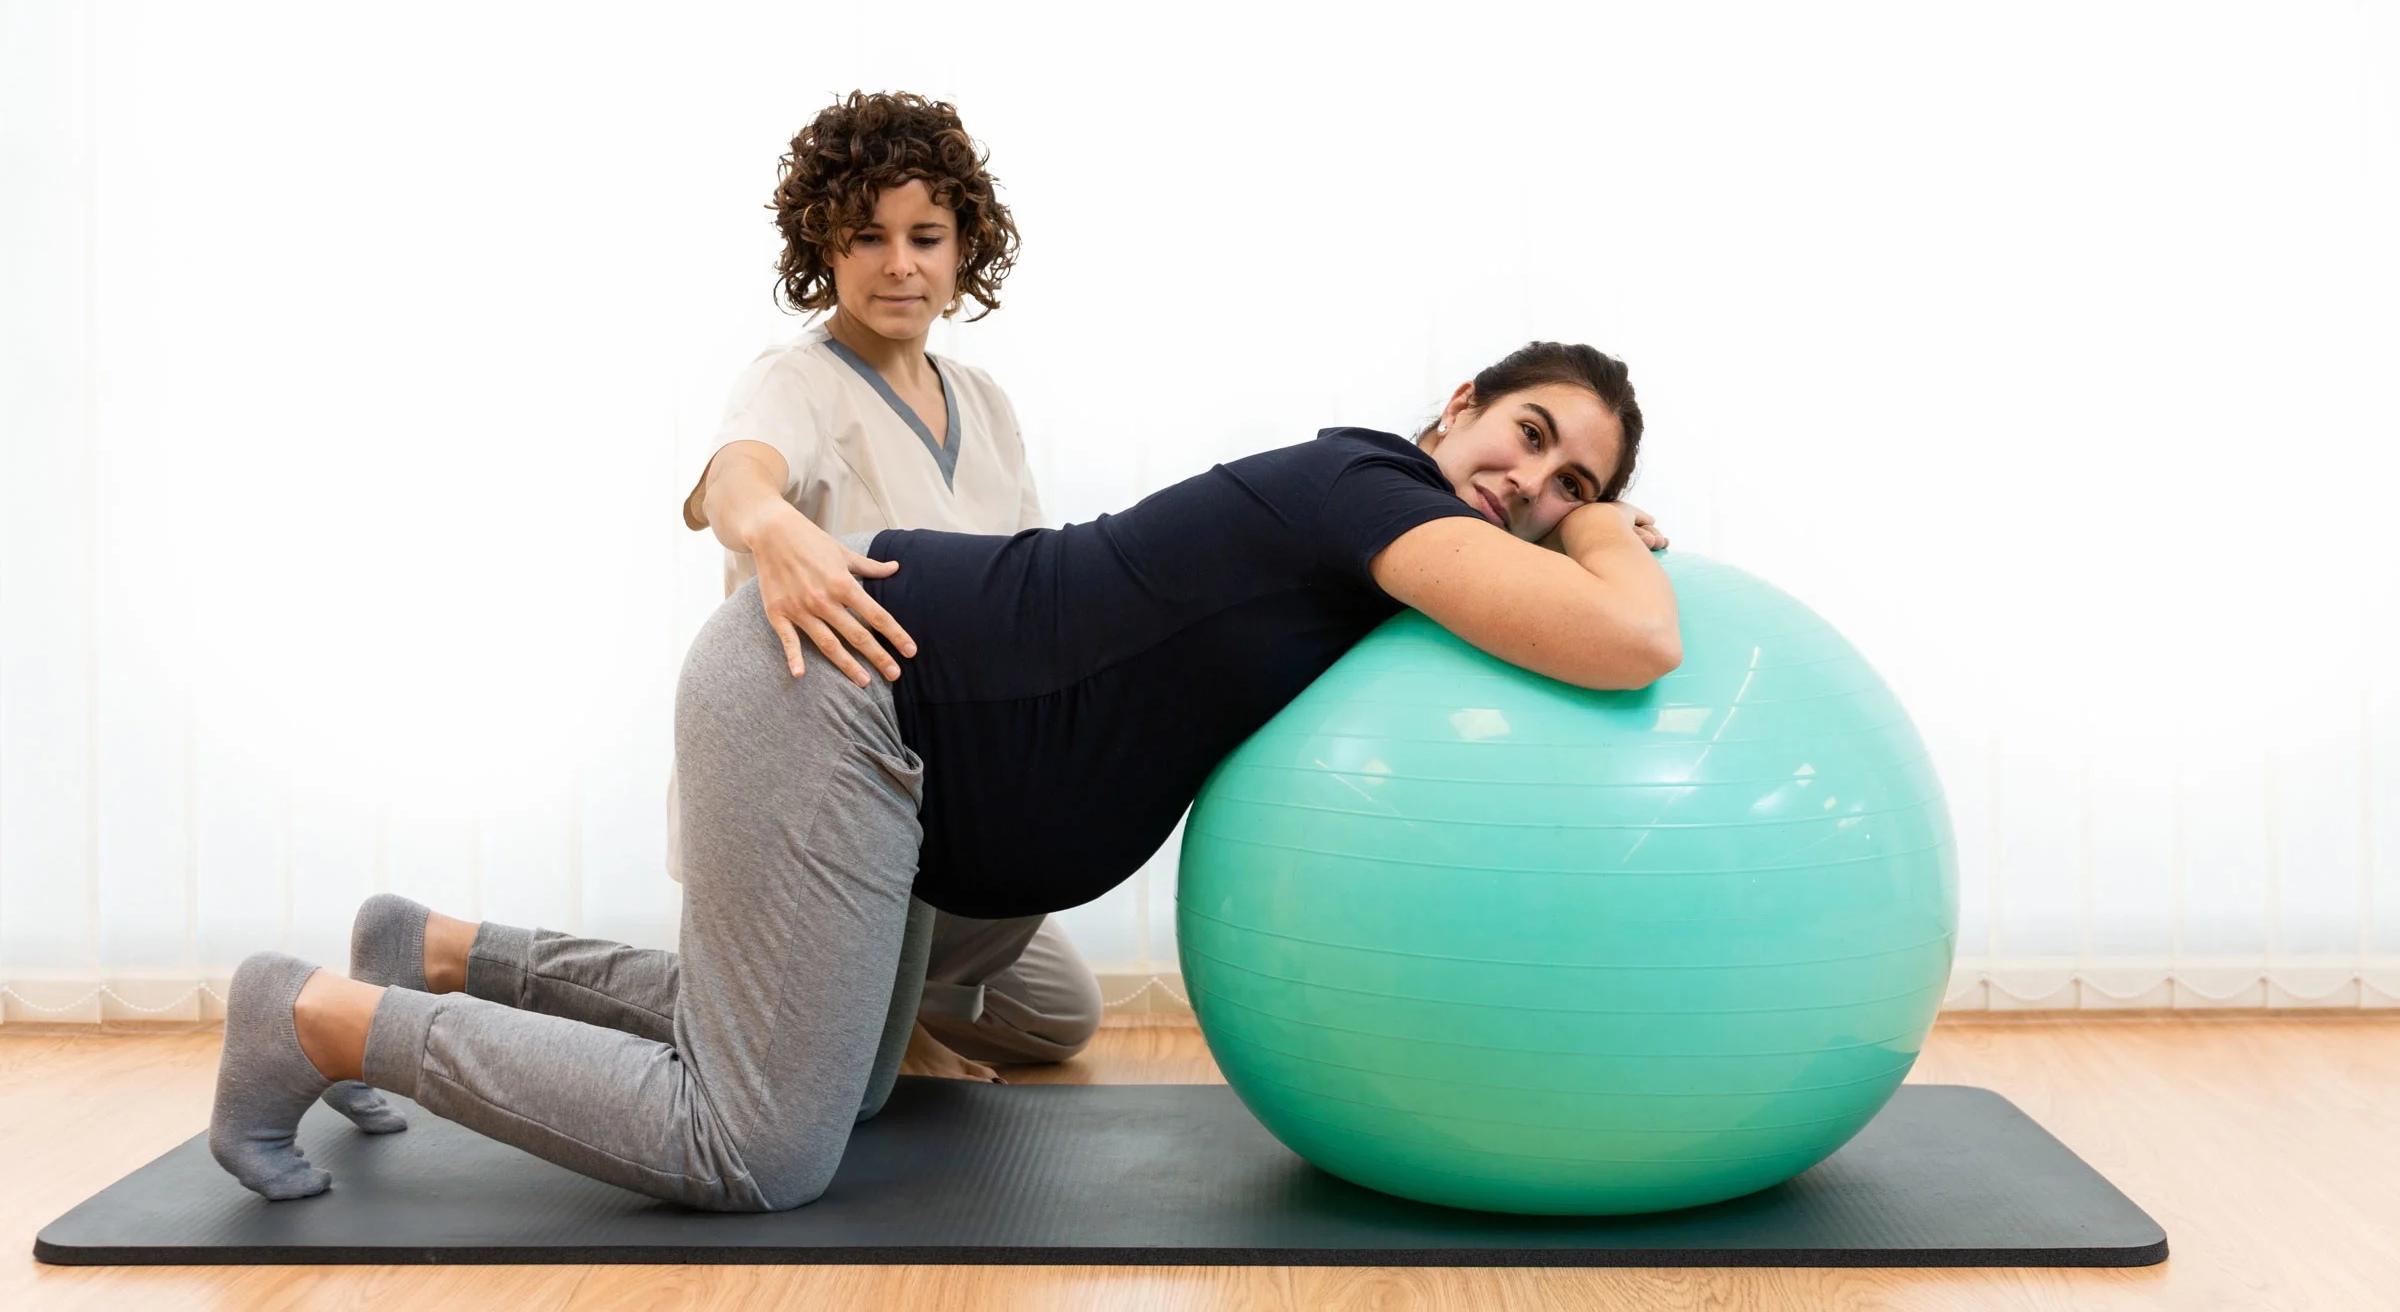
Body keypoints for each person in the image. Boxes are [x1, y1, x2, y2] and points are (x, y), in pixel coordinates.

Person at [208, 341, 1679, 1210]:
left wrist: (1586, 529)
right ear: (1463, 402)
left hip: (911, 770)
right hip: (844, 693)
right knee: (758, 1141)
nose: (1531, 489)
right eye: (1531, 440)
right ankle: (320, 1017)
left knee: (837, 1079)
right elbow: (1627, 642)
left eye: (1570, 489)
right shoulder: (1372, 490)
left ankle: (439, 949)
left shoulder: (1394, 549)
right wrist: (1614, 533)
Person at [669, 90, 1099, 1083]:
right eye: (867, 236)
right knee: (845, 1064)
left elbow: (1031, 584)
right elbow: (739, 479)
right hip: (828, 791)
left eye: (926, 236)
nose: (899, 264)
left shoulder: (983, 403)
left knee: (1061, 1018)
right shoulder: (796, 380)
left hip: (942, 782)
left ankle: (845, 1003)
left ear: (963, 253)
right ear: (824, 246)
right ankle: (847, 1021)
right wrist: (774, 526)